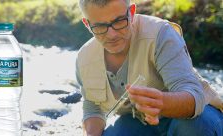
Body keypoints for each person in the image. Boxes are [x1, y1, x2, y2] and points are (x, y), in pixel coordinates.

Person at [75, 0, 223, 135]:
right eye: (100, 26)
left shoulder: (161, 33)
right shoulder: (84, 58)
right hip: (138, 122)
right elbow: (92, 108)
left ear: (132, 12)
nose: (112, 34)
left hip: (197, 116)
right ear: (87, 24)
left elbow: (193, 96)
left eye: (119, 21)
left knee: (196, 127)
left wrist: (162, 103)